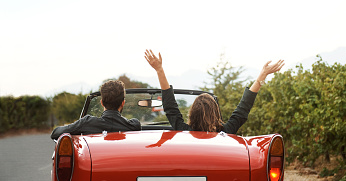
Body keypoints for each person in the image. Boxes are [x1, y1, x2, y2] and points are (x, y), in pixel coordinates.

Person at [144, 49, 284, 134]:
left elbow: (170, 107)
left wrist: (159, 70)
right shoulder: (226, 132)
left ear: (192, 114)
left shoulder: (184, 131)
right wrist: (262, 75)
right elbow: (243, 109)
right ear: (216, 113)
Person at [51, 80, 141, 140]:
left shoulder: (87, 123)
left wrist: (74, 127)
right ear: (123, 103)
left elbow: (55, 133)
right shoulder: (133, 126)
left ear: (102, 102)